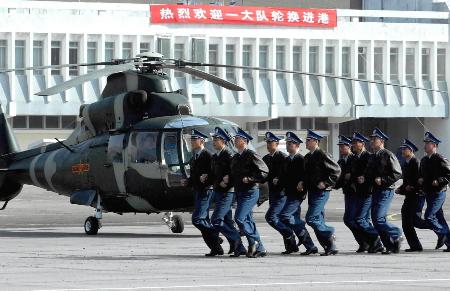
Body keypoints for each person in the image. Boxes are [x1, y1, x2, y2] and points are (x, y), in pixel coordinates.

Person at [181, 129, 222, 256]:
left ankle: (215, 236)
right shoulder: (194, 156)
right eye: (191, 139)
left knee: (197, 219)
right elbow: (195, 175)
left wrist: (207, 179)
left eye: (195, 139)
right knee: (204, 221)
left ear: (202, 141)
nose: (192, 142)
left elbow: (214, 173)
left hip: (206, 190)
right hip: (198, 190)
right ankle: (216, 248)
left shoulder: (207, 156)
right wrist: (188, 181)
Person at [230, 127, 269, 258]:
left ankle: (255, 242)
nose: (235, 141)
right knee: (248, 220)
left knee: (239, 218)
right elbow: (234, 175)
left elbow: (264, 171)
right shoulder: (236, 157)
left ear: (244, 141)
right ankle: (258, 247)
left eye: (237, 139)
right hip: (240, 192)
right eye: (235, 139)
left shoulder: (251, 154)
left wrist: (251, 179)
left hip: (250, 192)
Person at [277, 131, 318, 255]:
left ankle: (302, 229)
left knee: (285, 216)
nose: (288, 146)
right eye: (287, 143)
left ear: (296, 145)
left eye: (290, 144)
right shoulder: (287, 159)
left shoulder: (301, 159)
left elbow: (306, 175)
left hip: (297, 194)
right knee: (292, 219)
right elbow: (285, 176)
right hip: (289, 194)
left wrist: (302, 183)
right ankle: (310, 246)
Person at [209, 127, 247, 257]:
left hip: (227, 192)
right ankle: (237, 247)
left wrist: (228, 181)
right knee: (228, 221)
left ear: (223, 141)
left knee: (216, 219)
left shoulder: (229, 155)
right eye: (213, 139)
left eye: (216, 139)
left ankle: (237, 241)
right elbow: (213, 175)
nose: (213, 142)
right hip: (218, 192)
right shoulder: (215, 156)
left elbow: (235, 172)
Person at [365, 127, 403, 254]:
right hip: (375, 191)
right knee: (377, 220)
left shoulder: (388, 154)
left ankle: (396, 233)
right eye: (371, 139)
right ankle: (390, 245)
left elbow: (397, 173)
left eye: (374, 139)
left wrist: (383, 180)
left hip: (386, 190)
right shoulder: (372, 156)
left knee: (378, 218)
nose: (371, 141)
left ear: (381, 141)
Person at [304, 129, 341, 256]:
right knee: (318, 220)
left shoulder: (322, 154)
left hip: (321, 192)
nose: (306, 142)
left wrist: (326, 182)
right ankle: (330, 247)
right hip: (312, 192)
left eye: (308, 140)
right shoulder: (308, 157)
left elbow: (336, 170)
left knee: (311, 218)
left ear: (315, 141)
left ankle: (329, 231)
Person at [350, 132, 384, 253]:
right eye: (352, 143)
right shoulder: (354, 157)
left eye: (355, 143)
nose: (353, 145)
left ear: (362, 144)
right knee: (361, 219)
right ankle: (371, 243)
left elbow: (373, 173)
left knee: (360, 219)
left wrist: (364, 177)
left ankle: (377, 240)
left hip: (368, 192)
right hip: (358, 192)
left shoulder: (368, 156)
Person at [335, 135, 368, 253]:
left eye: (343, 146)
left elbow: (356, 174)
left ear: (349, 147)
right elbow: (340, 179)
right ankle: (364, 242)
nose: (340, 149)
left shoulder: (354, 159)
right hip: (348, 192)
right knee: (351, 219)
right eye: (340, 147)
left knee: (353, 219)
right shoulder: (341, 161)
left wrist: (347, 177)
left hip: (356, 192)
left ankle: (369, 242)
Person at [418, 131, 450, 252]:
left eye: (428, 143)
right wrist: (421, 179)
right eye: (425, 143)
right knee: (439, 218)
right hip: (429, 192)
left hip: (439, 192)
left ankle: (443, 234)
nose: (425, 145)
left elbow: (448, 175)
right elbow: (422, 174)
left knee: (429, 216)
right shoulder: (424, 160)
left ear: (435, 145)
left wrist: (439, 180)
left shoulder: (440, 158)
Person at [262, 132, 290, 253]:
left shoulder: (283, 158)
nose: (268, 145)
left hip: (282, 193)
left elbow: (288, 175)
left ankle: (289, 233)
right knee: (279, 219)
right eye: (267, 142)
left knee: (271, 217)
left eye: (270, 142)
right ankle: (290, 245)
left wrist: (279, 179)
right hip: (272, 193)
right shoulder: (266, 158)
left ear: (277, 144)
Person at [396, 138, 426, 252]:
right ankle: (415, 245)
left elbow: (420, 181)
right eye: (402, 149)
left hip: (417, 196)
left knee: (416, 222)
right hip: (409, 196)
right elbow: (406, 182)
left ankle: (440, 229)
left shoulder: (416, 162)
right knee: (406, 222)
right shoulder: (406, 163)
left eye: (405, 149)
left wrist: (412, 187)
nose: (403, 151)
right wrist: (401, 189)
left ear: (411, 150)